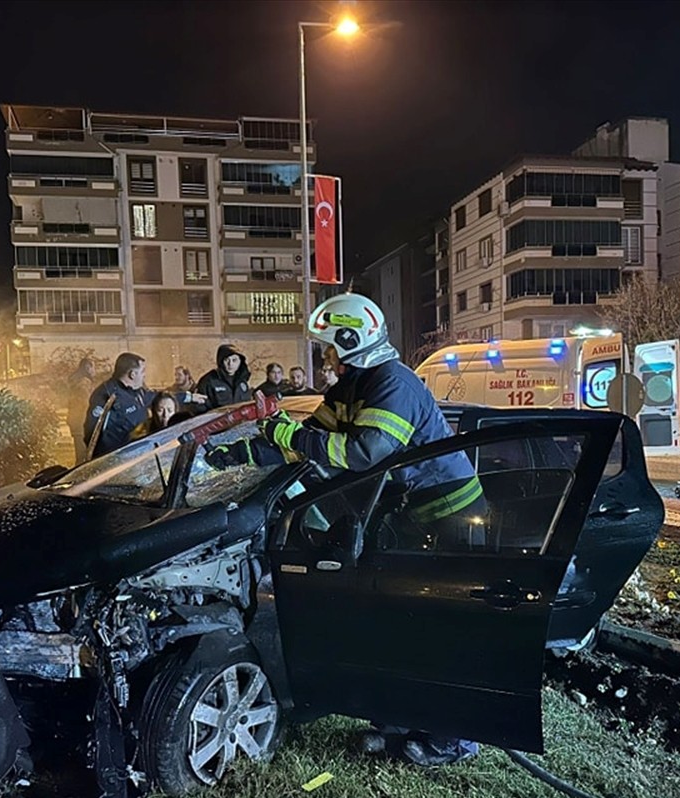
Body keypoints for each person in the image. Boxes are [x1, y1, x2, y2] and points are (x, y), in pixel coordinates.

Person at [207, 292, 486, 768]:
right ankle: (399, 718)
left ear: (350, 341)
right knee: (400, 623)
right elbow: (304, 448)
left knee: (445, 627)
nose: (325, 358)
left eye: (329, 348)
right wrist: (231, 458)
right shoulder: (351, 387)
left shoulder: (392, 383)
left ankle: (454, 738)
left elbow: (363, 453)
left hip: (452, 515)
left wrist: (286, 433)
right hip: (411, 517)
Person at [84, 353, 155, 459]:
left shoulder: (136, 391)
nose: (144, 375)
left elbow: (155, 397)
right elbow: (93, 434)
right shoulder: (106, 395)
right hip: (118, 460)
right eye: (142, 371)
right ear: (132, 374)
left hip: (139, 455)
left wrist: (186, 396)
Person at [196, 344, 252, 409]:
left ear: (240, 361)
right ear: (220, 361)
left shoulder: (242, 381)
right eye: (226, 360)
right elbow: (200, 408)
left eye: (234, 360)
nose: (230, 364)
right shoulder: (208, 381)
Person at [65, 356, 97, 465]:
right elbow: (85, 402)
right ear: (88, 368)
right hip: (81, 421)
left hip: (76, 420)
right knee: (83, 455)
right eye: (94, 368)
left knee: (80, 452)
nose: (94, 371)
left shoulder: (75, 380)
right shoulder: (84, 382)